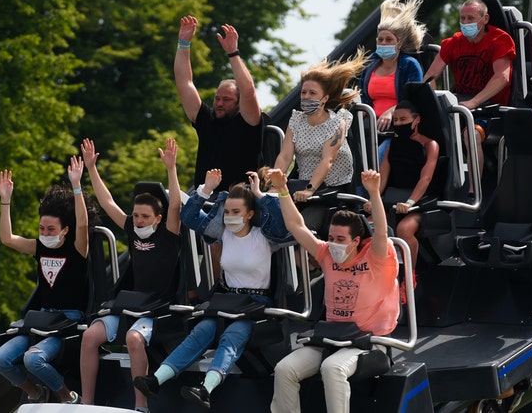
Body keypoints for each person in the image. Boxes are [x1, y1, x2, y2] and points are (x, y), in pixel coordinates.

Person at [133, 164, 286, 409]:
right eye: (227, 212)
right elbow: (189, 217)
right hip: (226, 301)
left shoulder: (265, 235)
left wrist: (259, 195)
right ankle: (155, 380)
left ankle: (206, 389)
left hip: (255, 305)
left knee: (232, 337)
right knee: (200, 332)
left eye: (236, 212)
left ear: (249, 214)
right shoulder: (223, 233)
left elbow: (282, 223)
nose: (230, 217)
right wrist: (205, 190)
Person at [268, 168, 399, 413]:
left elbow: (380, 232)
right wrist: (283, 191)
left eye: (340, 239)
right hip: (330, 337)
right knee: (284, 369)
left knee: (332, 368)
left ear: (356, 241)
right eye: (331, 237)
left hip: (367, 342)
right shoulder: (327, 254)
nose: (333, 243)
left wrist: (373, 193)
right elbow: (296, 226)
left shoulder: (376, 258)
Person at [77, 138, 182, 410]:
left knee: (133, 340)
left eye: (145, 217)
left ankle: (140, 406)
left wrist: (171, 169)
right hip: (130, 304)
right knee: (90, 336)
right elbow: (107, 201)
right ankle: (86, 403)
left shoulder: (168, 234)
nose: (138, 221)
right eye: (136, 216)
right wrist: (91, 168)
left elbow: (174, 207)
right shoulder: (132, 230)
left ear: (157, 219)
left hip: (157, 307)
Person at [0, 156, 88, 405]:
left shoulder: (77, 249)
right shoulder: (38, 247)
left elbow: (83, 224)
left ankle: (69, 397)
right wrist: (5, 201)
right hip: (41, 319)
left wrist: (76, 187)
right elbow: (7, 239)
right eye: (42, 229)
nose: (44, 234)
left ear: (65, 230)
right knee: (0, 359)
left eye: (51, 230)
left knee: (33, 359)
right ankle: (35, 393)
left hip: (66, 321)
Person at [423, 0, 516, 200]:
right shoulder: (453, 43)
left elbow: (502, 77)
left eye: (471, 18)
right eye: (462, 18)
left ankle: (473, 192)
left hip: (490, 109)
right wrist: (436, 103)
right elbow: (430, 77)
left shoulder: (500, 40)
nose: (466, 23)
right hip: (460, 106)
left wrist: (475, 102)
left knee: (470, 136)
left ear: (485, 19)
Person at [274, 48, 368, 233]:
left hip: (332, 190)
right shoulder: (297, 120)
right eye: (303, 93)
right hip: (301, 187)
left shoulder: (338, 122)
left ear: (324, 98)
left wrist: (310, 189)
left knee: (302, 229)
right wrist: (273, 183)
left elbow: (328, 159)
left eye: (312, 93)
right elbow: (285, 156)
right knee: (272, 223)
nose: (306, 97)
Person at [175, 15, 263, 192]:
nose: (220, 103)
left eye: (227, 99)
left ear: (238, 103)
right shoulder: (207, 120)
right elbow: (184, 83)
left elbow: (248, 91)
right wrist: (183, 43)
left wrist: (233, 53)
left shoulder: (249, 122)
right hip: (203, 201)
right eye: (217, 98)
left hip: (238, 202)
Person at [366, 101, 439, 272]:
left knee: (404, 229)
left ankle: (408, 278)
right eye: (396, 120)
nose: (398, 124)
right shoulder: (394, 145)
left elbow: (426, 178)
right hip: (393, 199)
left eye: (403, 119)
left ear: (416, 120)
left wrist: (410, 202)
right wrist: (373, 199)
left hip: (420, 202)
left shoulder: (430, 145)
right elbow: (383, 175)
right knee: (368, 225)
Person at [358, 0, 427, 163]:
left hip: (398, 128)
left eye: (389, 39)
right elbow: (363, 96)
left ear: (399, 43)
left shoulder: (409, 65)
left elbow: (415, 97)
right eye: (380, 40)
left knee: (379, 159)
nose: (384, 43)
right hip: (370, 128)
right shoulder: (370, 65)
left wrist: (392, 111)